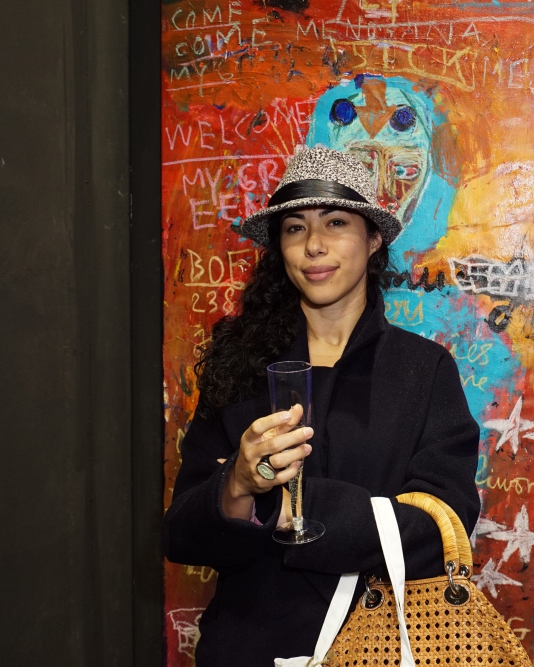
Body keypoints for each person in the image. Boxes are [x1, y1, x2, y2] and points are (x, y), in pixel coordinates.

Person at [163, 146, 481, 666]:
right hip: (248, 648)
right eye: (295, 228)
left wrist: (289, 507)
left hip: (378, 650)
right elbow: (182, 536)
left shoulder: (422, 370)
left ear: (373, 240)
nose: (313, 244)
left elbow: (440, 528)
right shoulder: (240, 364)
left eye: (335, 222)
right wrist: (237, 485)